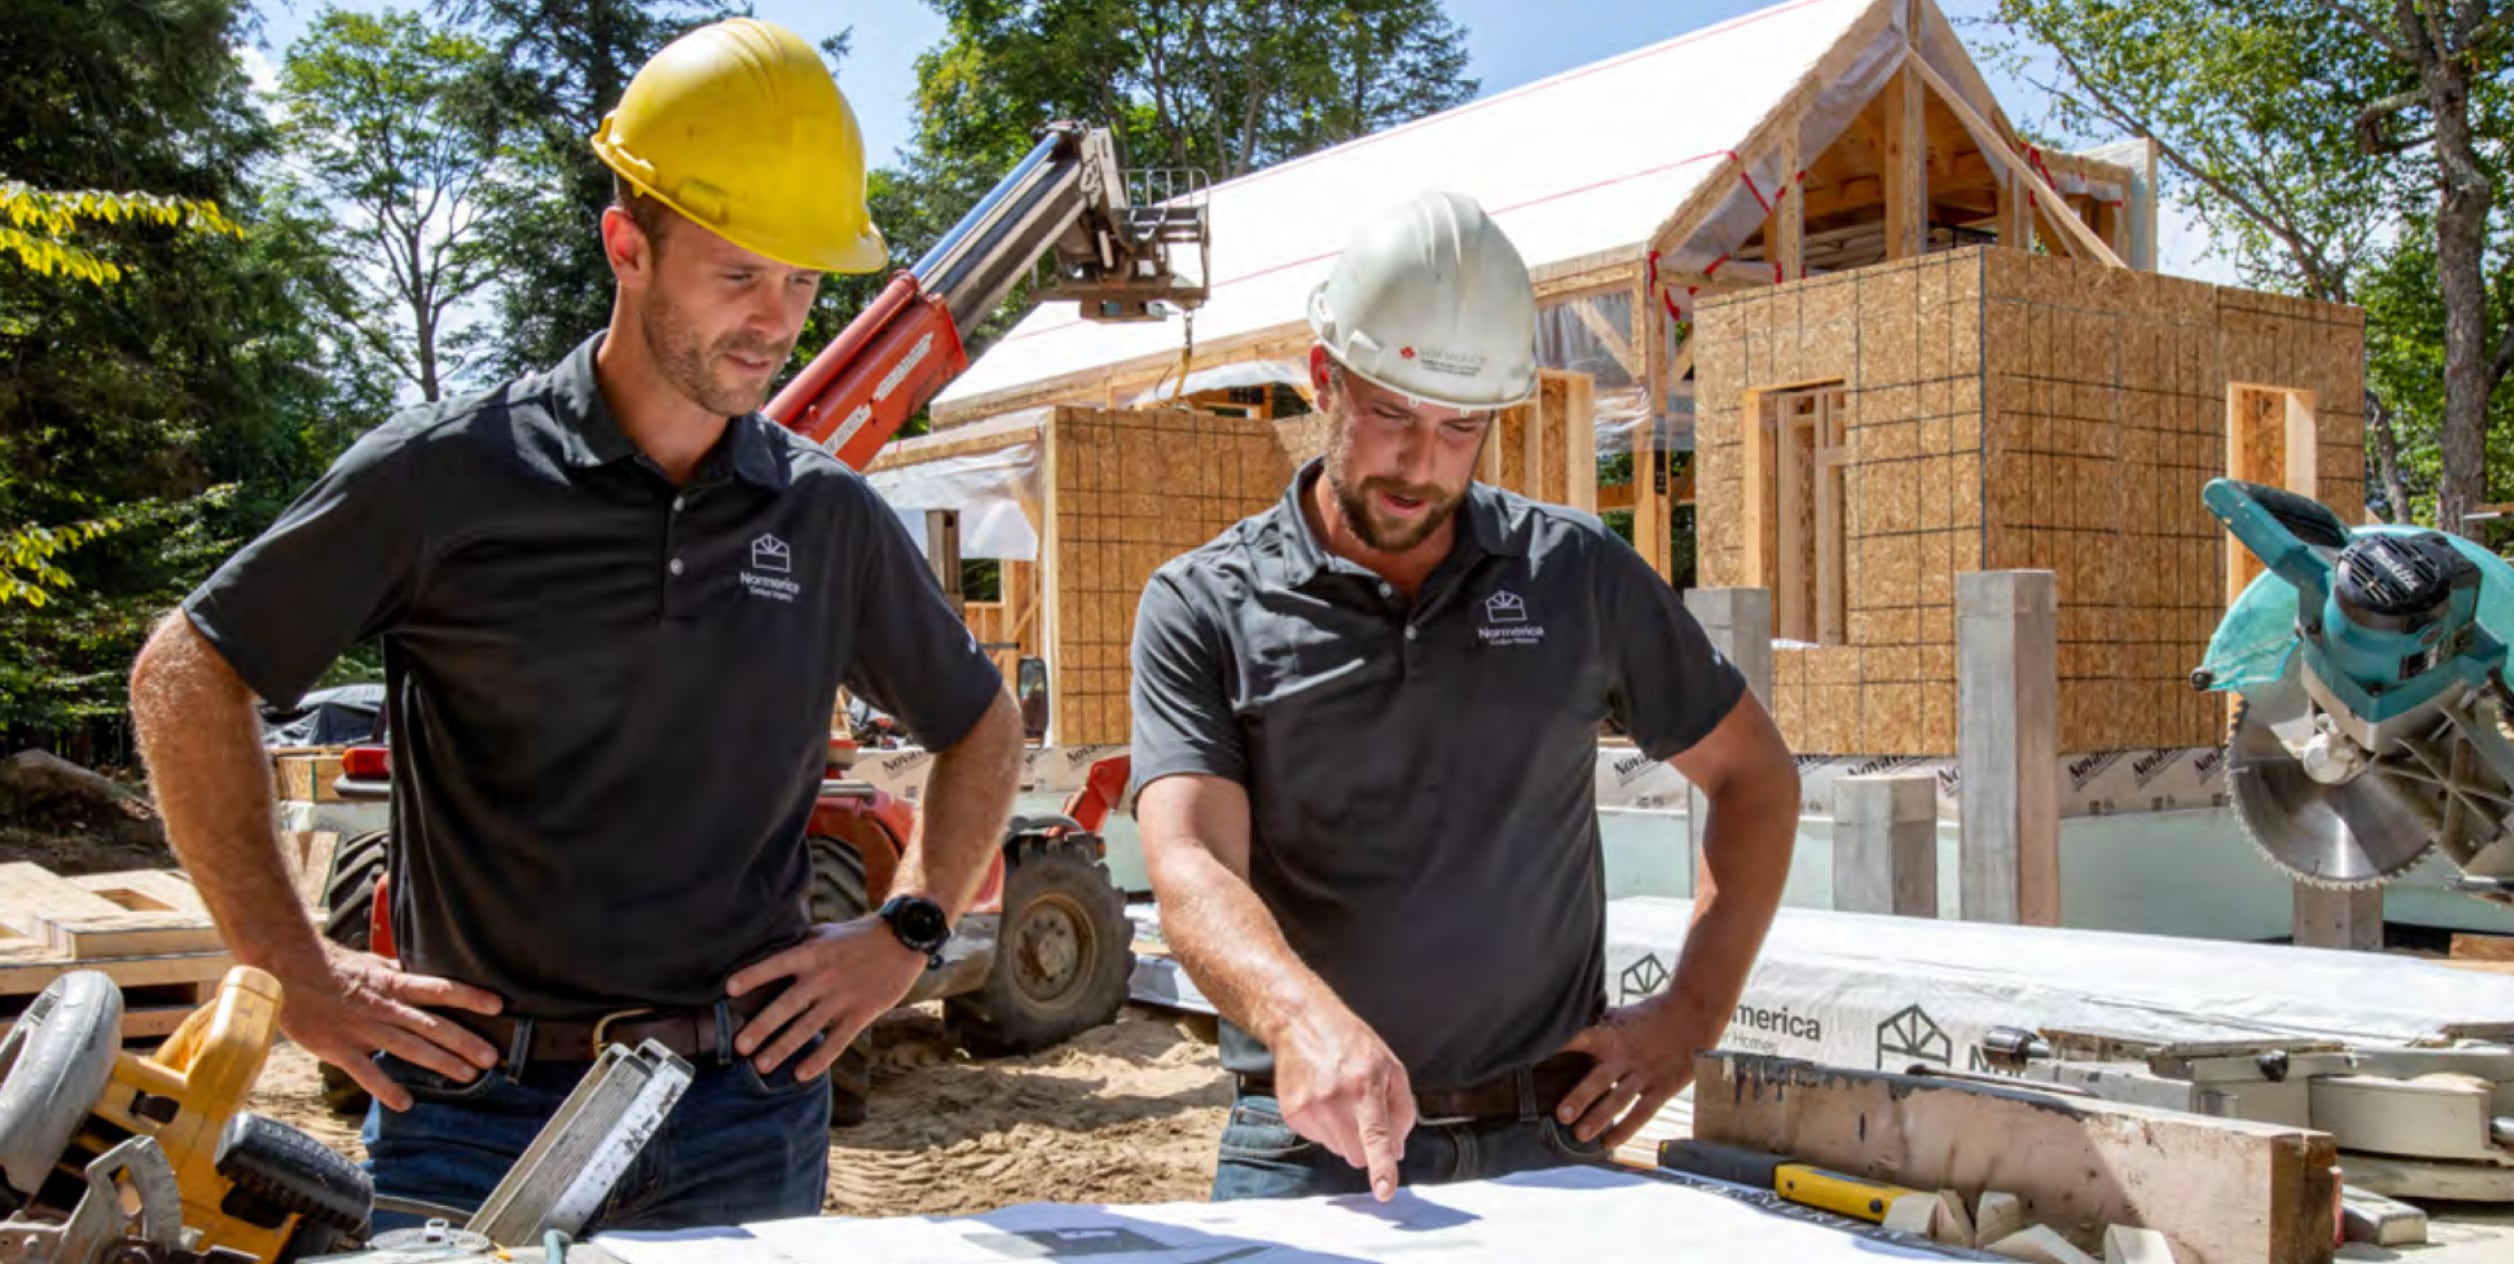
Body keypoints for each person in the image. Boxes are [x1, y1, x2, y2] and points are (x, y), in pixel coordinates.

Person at [127, 18, 1023, 1231]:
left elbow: (982, 726)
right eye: (739, 273)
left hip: (743, 1111)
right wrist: (290, 969)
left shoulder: (827, 516)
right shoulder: (448, 476)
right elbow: (187, 674)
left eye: (804, 281)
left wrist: (908, 929)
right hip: (470, 1111)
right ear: (627, 246)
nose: (776, 320)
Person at [1128, 191, 1801, 1203]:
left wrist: (1692, 1013)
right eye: (1390, 413)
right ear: (1324, 377)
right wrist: (1304, 1020)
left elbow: (1754, 775)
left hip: (1551, 1131)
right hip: (1309, 1142)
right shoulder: (1205, 603)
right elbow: (1191, 866)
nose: (1420, 464)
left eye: (1458, 428)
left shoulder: (1573, 574)